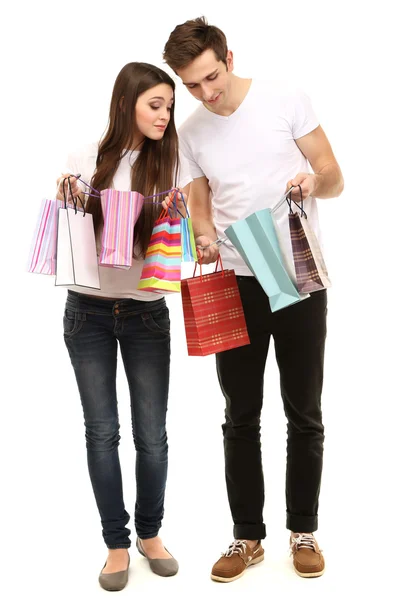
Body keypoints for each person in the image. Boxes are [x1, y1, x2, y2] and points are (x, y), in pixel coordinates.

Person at [163, 17, 344, 582]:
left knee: (303, 411)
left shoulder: (285, 99)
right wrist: (204, 234)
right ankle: (247, 538)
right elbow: (199, 204)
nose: (207, 94)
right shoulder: (189, 131)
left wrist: (313, 183)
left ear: (229, 56)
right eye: (192, 86)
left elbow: (334, 175)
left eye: (211, 78)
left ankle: (303, 529)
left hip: (295, 278)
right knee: (239, 415)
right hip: (237, 281)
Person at [56, 62, 192, 591]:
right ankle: (117, 543)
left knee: (152, 436)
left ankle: (150, 535)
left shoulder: (171, 163)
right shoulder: (86, 159)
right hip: (86, 311)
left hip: (144, 312)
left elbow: (168, 240)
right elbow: (75, 239)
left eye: (168, 106)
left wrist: (176, 216)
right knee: (101, 432)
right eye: (154, 104)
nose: (164, 115)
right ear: (126, 103)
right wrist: (73, 197)